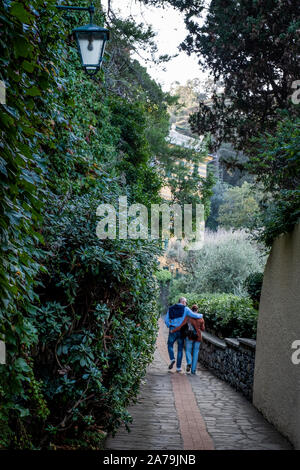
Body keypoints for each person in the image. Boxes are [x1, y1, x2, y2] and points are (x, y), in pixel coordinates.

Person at [165, 297, 203, 373]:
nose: (186, 304)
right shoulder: (186, 309)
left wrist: (170, 326)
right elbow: (195, 315)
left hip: (173, 329)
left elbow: (166, 320)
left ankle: (172, 359)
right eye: (186, 302)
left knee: (170, 344)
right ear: (182, 302)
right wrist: (201, 315)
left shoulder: (171, 308)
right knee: (180, 348)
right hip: (181, 331)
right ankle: (178, 367)